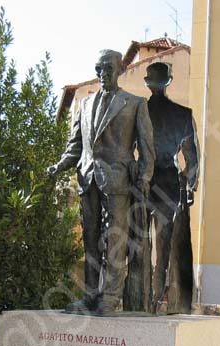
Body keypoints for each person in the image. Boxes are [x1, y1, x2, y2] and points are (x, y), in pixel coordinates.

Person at [47, 50, 155, 315]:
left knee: (114, 240)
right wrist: (58, 166)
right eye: (98, 69)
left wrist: (144, 178)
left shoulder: (135, 103)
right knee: (91, 241)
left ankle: (110, 297)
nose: (102, 74)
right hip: (88, 179)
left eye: (107, 68)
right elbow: (75, 147)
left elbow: (147, 149)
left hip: (118, 181)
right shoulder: (84, 105)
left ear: (120, 69)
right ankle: (90, 295)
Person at [144, 62, 200, 314]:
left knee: (143, 246)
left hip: (145, 182)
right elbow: (193, 161)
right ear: (169, 81)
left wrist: (188, 187)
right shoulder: (182, 114)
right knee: (161, 248)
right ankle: (154, 298)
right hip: (163, 182)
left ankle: (150, 299)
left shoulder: (138, 111)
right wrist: (189, 186)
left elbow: (193, 161)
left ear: (147, 82)